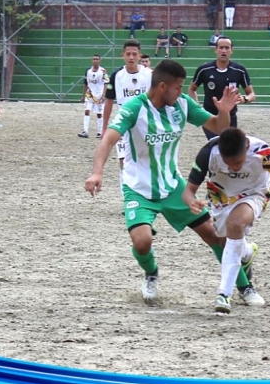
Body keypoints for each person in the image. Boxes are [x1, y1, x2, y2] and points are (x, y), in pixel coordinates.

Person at [85, 60, 242, 302]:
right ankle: (151, 273)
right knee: (142, 242)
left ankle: (245, 287)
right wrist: (97, 172)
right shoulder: (134, 108)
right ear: (161, 87)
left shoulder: (182, 104)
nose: (182, 91)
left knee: (213, 235)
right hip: (138, 188)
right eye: (178, 87)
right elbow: (107, 140)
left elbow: (219, 128)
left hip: (173, 186)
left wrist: (224, 111)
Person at [183, 128, 270, 314]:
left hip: (254, 195)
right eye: (229, 164)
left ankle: (223, 294)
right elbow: (188, 190)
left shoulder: (265, 154)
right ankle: (247, 252)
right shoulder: (209, 152)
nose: (234, 168)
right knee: (225, 243)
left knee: (235, 224)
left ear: (247, 147)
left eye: (238, 162)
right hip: (221, 200)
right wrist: (191, 201)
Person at [102, 40, 154, 195]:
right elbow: (109, 101)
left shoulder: (149, 75)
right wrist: (104, 128)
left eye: (134, 54)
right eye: (128, 54)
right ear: (122, 55)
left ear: (139, 55)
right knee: (124, 162)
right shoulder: (117, 76)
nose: (131, 57)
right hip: (124, 126)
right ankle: (128, 198)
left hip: (146, 125)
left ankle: (146, 194)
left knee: (145, 160)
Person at [189, 36, 255, 140]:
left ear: (231, 50)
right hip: (209, 116)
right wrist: (197, 107)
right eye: (221, 47)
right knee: (216, 144)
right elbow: (192, 89)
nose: (224, 51)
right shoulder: (204, 69)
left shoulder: (239, 70)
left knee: (229, 147)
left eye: (227, 48)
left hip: (230, 117)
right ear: (216, 50)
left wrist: (244, 99)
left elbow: (252, 94)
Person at [78, 55, 109, 139]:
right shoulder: (88, 71)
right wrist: (83, 95)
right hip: (90, 94)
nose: (95, 60)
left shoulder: (103, 71)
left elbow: (106, 83)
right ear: (92, 60)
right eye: (94, 59)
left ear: (99, 61)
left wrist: (103, 95)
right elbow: (85, 83)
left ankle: (99, 132)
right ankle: (85, 131)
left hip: (99, 95)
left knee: (99, 114)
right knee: (87, 110)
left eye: (97, 59)